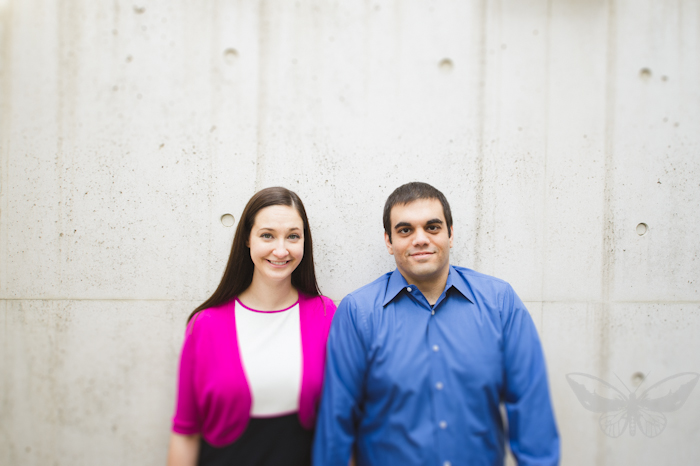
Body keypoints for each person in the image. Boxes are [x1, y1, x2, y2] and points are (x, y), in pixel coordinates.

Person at [314, 182, 559, 466]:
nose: (420, 239)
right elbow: (337, 421)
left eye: (432, 227)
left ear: (450, 234)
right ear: (389, 241)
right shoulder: (358, 312)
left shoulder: (500, 303)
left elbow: (531, 409)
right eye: (405, 230)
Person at [167, 187, 336, 466]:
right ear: (247, 238)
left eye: (293, 236)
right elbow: (186, 432)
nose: (280, 250)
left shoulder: (325, 314)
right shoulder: (205, 325)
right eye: (267, 235)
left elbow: (343, 420)